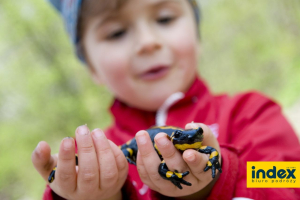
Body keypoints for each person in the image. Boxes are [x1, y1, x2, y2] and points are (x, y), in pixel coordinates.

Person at [31, 0, 300, 199]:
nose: (148, 42)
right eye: (116, 33)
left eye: (165, 19)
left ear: (197, 33)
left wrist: (218, 181)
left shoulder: (250, 113)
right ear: (91, 67)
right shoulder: (101, 155)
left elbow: (289, 176)